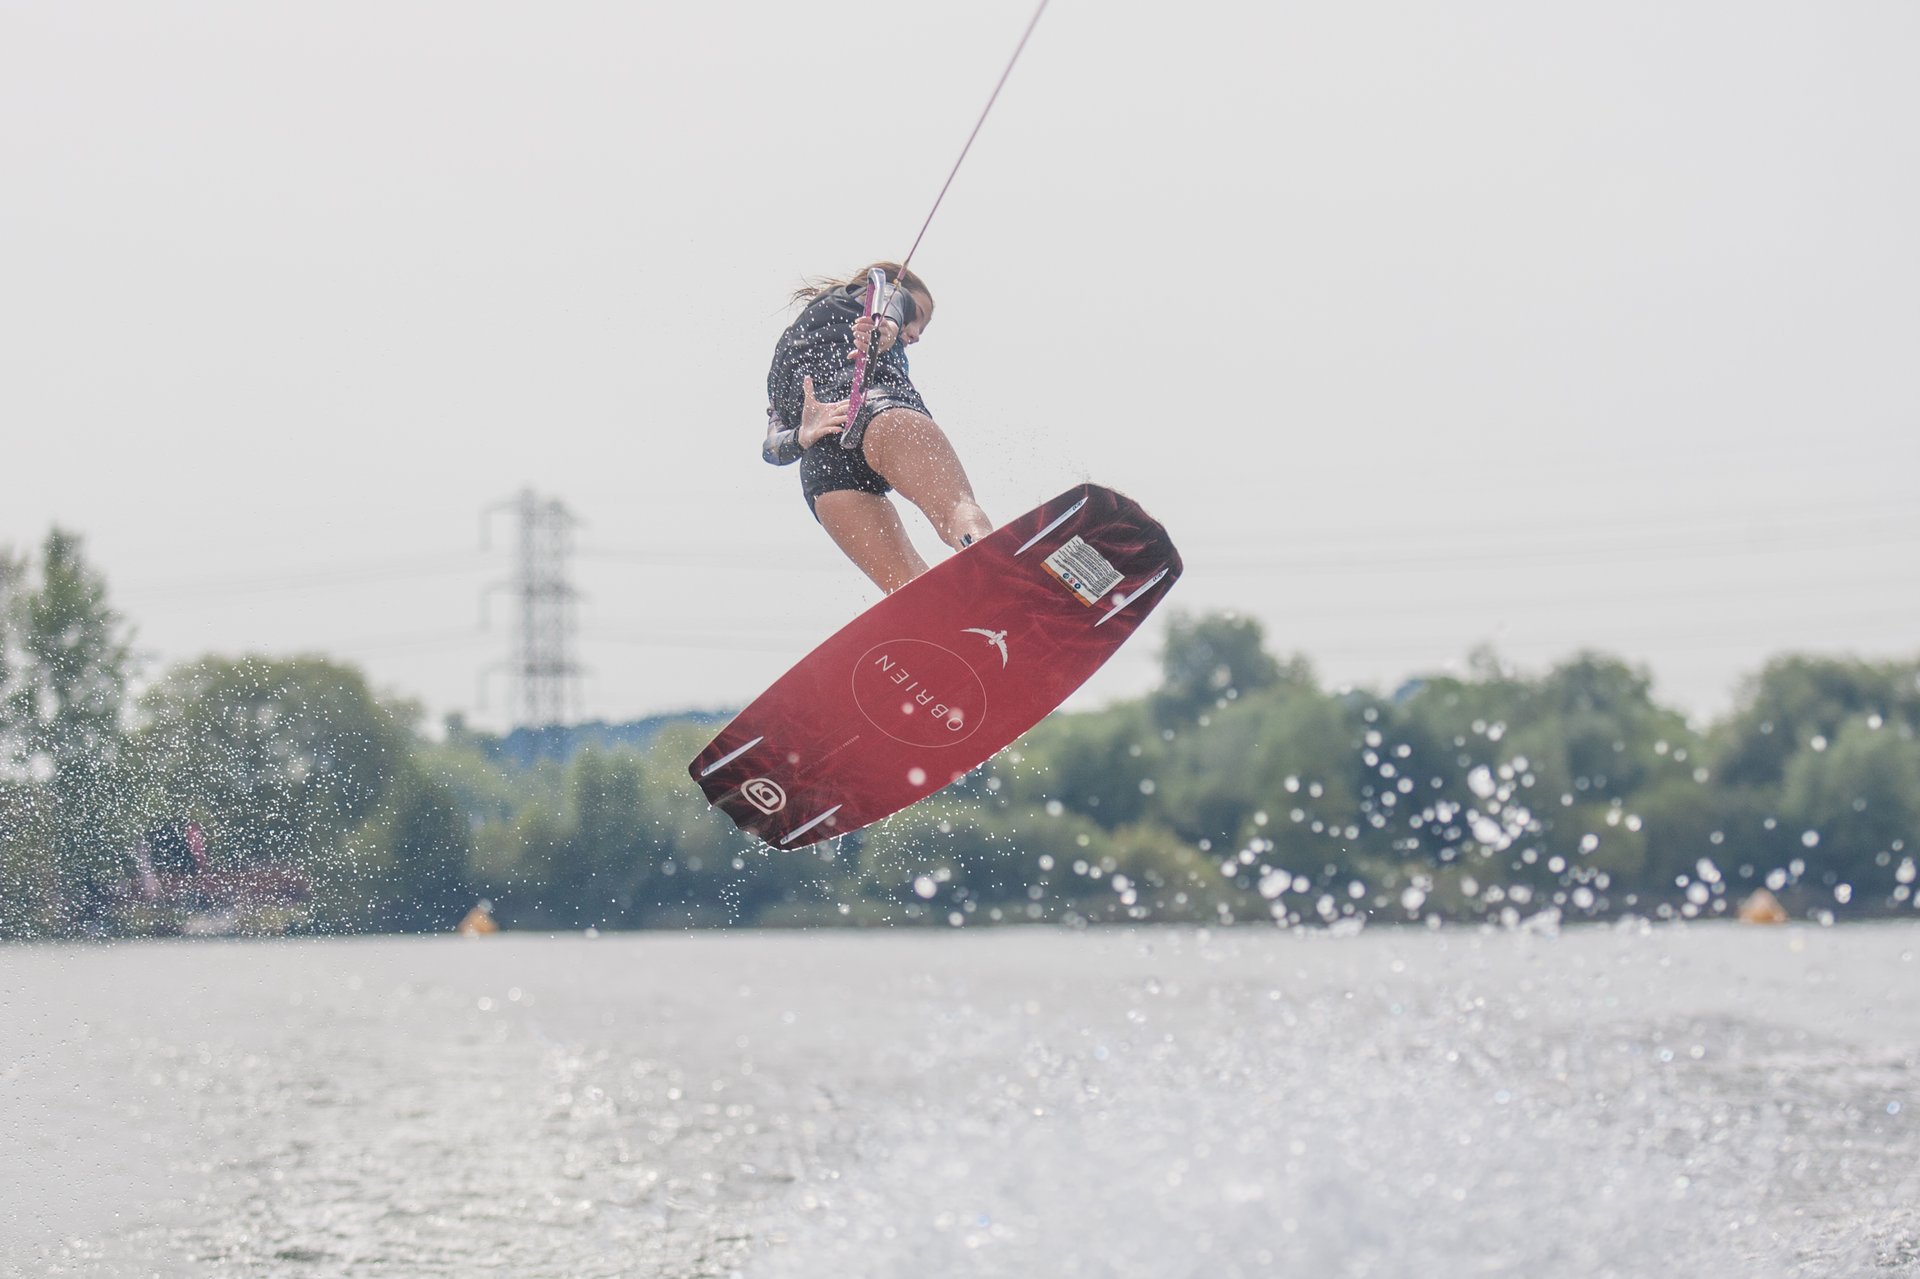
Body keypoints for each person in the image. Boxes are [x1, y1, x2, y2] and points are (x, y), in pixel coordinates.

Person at [763, 262, 993, 593]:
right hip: (879, 413)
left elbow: (772, 449)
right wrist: (888, 323)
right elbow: (892, 297)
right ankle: (992, 563)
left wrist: (801, 437)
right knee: (956, 511)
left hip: (824, 467)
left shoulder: (784, 357)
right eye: (918, 317)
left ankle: (945, 618)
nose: (915, 334)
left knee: (909, 591)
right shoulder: (867, 298)